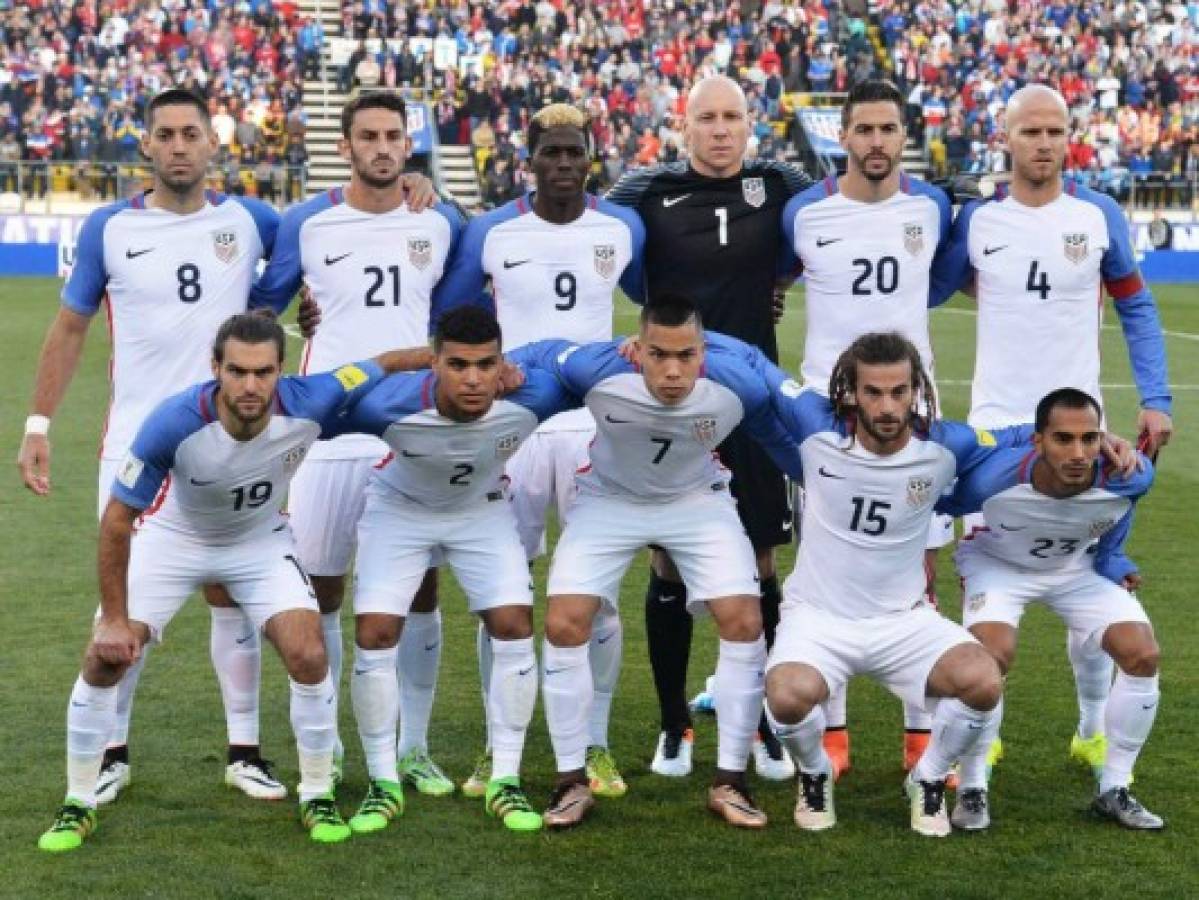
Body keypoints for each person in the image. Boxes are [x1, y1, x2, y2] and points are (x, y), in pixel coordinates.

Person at [36, 313, 425, 852]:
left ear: (280, 370)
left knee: (309, 653)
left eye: (263, 372)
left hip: (260, 541)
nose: (250, 385)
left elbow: (379, 366)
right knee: (105, 657)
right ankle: (76, 803)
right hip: (175, 537)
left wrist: (444, 359)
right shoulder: (173, 421)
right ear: (215, 368)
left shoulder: (311, 396)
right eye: (237, 371)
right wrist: (117, 619)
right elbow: (117, 521)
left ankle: (316, 793)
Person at [17, 89, 286, 805]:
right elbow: (70, 328)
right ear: (146, 145)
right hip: (136, 446)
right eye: (163, 133)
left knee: (231, 592)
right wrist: (38, 425)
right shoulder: (109, 227)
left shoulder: (252, 219)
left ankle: (245, 750)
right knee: (122, 604)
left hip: (230, 443)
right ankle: (111, 753)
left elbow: (304, 267)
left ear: (211, 144)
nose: (177, 146)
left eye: (189, 133)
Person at [942, 84, 1173, 779]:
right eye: (1029, 132)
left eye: (1055, 130)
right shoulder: (978, 223)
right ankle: (983, 738)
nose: (1043, 143)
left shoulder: (1097, 215)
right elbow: (934, 284)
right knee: (988, 581)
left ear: (1067, 136)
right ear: (1004, 140)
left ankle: (1088, 730)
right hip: (993, 432)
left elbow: (1135, 308)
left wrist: (1155, 398)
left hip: (1080, 430)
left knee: (1088, 570)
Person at [431, 102, 645, 799]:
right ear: (529, 160)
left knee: (598, 598)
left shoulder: (621, 227)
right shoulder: (492, 231)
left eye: (572, 152)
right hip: (510, 433)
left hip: (590, 429)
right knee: (504, 594)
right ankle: (499, 748)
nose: (562, 164)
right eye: (549, 152)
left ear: (590, 158)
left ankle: (595, 743)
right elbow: (451, 321)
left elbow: (657, 301)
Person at [606, 73, 812, 780]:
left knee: (759, 561)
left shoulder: (779, 184)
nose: (720, 130)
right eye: (707, 118)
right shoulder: (645, 193)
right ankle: (671, 726)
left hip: (753, 406)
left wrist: (777, 288)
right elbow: (594, 237)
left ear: (748, 125)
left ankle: (757, 720)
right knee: (667, 558)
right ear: (682, 127)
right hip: (672, 403)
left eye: (732, 117)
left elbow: (821, 220)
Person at [533, 297, 805, 830]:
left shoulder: (737, 386)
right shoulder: (599, 368)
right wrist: (507, 372)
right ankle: (570, 783)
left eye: (686, 355)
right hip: (608, 498)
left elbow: (781, 430)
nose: (673, 370)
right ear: (636, 349)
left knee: (744, 620)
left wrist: (823, 472)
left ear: (703, 352)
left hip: (695, 501)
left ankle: (731, 781)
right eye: (658, 354)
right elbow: (544, 354)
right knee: (564, 621)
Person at [254, 91, 458, 798]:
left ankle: (416, 747)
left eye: (392, 135)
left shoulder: (439, 220)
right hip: (329, 432)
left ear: (408, 145)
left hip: (410, 429)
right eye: (367, 135)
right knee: (322, 592)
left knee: (421, 591)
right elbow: (262, 309)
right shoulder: (306, 223)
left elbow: (461, 316)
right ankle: (333, 746)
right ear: (345, 145)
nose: (380, 146)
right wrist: (299, 320)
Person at [760, 332, 1035, 837]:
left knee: (983, 681)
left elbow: (1017, 436)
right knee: (785, 696)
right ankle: (814, 771)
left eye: (899, 392)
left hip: (903, 621)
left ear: (917, 390)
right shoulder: (819, 440)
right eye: (873, 392)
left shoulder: (943, 444)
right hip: (819, 618)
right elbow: (758, 376)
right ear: (850, 391)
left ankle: (928, 778)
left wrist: (1092, 436)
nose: (887, 406)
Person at [335, 307, 574, 834]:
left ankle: (505, 781)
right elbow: (314, 401)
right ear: (434, 363)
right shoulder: (386, 404)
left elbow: (585, 365)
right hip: (399, 509)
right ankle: (382, 783)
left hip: (480, 510)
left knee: (513, 624)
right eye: (458, 365)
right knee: (375, 634)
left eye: (486, 365)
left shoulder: (534, 396)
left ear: (501, 363)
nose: (472, 379)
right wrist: (385, 362)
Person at [780, 79, 958, 778]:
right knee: (825, 563)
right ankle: (833, 728)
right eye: (865, 130)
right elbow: (774, 276)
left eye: (889, 130)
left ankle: (921, 730)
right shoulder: (805, 212)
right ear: (842, 136)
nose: (876, 142)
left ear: (901, 136)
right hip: (828, 412)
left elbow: (940, 280)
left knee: (920, 556)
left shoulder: (932, 205)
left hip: (913, 404)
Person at [938, 388, 1163, 831]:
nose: (1078, 453)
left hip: (1074, 567)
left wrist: (1111, 556)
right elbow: (944, 501)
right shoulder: (994, 479)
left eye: (1089, 439)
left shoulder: (1130, 473)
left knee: (1143, 654)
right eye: (1063, 439)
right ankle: (972, 786)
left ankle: (1114, 788)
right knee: (990, 658)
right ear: (1038, 442)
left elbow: (1124, 504)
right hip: (999, 565)